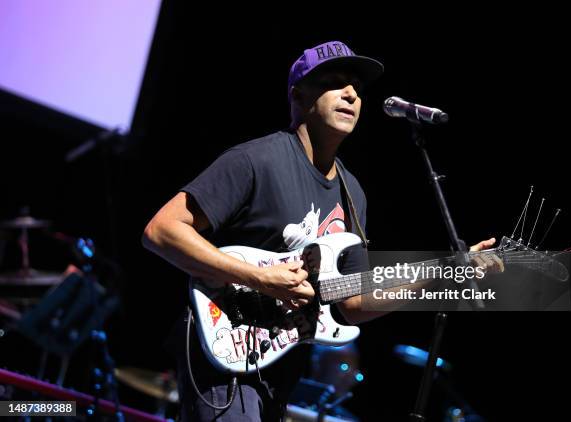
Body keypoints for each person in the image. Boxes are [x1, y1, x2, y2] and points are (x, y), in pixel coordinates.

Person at [142, 40, 497, 421]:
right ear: (298, 95)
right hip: (223, 348)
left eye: (357, 88)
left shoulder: (352, 193)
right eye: (335, 82)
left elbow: (354, 302)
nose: (351, 93)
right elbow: (161, 230)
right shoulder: (255, 160)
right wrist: (260, 278)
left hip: (281, 363)